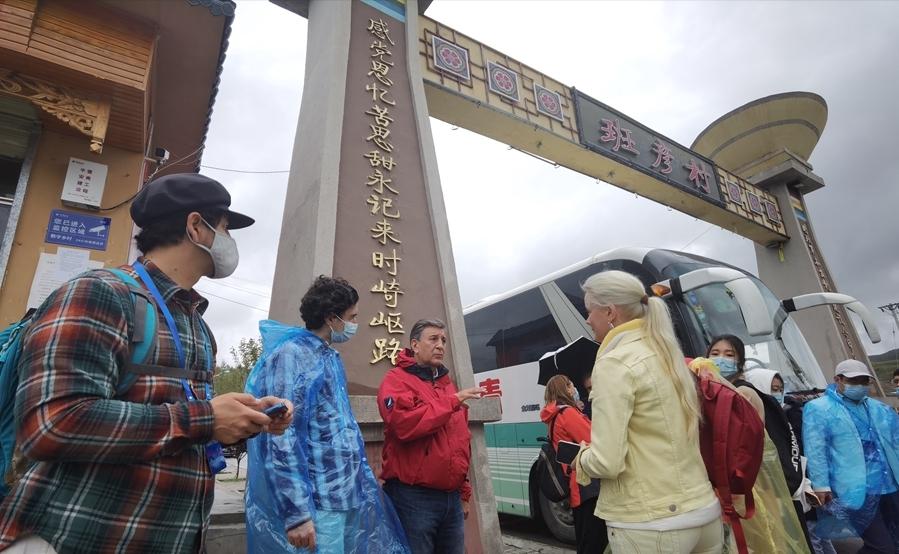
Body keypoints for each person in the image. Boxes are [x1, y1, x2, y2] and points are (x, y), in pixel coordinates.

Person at [0, 173, 293, 553]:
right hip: (80, 537)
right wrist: (205, 418)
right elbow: (52, 423)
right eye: (224, 228)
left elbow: (184, 424)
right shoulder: (101, 292)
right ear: (196, 227)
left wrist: (246, 417)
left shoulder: (198, 324)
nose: (230, 241)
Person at [244, 276, 409, 553]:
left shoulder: (327, 357)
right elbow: (281, 435)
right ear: (332, 318)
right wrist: (296, 511)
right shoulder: (291, 355)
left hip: (344, 496)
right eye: (351, 317)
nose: (355, 324)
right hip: (318, 503)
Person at [572, 270, 722, 554]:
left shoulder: (614, 362)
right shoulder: (667, 352)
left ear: (610, 311)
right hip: (704, 513)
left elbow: (607, 462)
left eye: (589, 311)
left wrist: (580, 458)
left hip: (650, 523)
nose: (588, 319)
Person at [377, 319, 484, 554]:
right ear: (415, 345)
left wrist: (463, 492)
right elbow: (404, 425)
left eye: (443, 340)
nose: (440, 346)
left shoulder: (447, 385)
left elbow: (460, 441)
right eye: (433, 339)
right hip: (414, 498)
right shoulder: (396, 380)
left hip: (451, 500)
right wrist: (453, 401)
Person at [803, 359, 899, 554]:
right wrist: (821, 485)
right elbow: (816, 450)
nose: (860, 386)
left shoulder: (879, 408)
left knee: (895, 541)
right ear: (838, 379)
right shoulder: (819, 409)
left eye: (865, 381)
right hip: (858, 490)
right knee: (882, 547)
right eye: (854, 381)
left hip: (891, 485)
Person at [540, 375, 606, 554]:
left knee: (587, 538)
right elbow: (593, 438)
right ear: (565, 389)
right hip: (586, 484)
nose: (574, 388)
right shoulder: (567, 413)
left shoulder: (557, 414)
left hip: (578, 484)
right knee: (593, 541)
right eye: (570, 385)